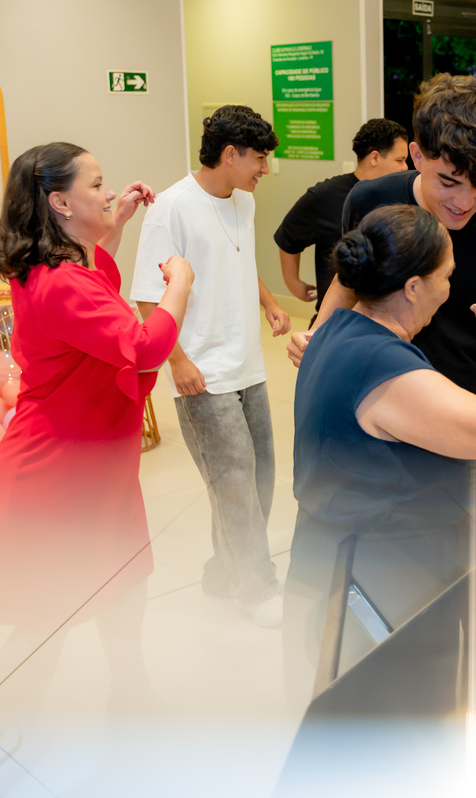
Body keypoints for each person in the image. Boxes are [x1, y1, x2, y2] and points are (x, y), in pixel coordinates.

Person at [287, 74, 476, 566]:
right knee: (380, 572)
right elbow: (350, 280)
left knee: (474, 581)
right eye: (449, 182)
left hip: (468, 434)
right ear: (416, 155)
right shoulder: (369, 199)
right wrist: (320, 334)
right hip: (378, 429)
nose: (463, 202)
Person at [286, 203, 476, 719]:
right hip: (376, 582)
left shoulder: (336, 329)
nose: (450, 288)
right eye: (446, 277)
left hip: (337, 560)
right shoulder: (381, 362)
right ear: (414, 286)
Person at [0, 142, 192, 702]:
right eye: (97, 185)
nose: (109, 192)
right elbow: (143, 347)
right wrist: (178, 285)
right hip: (57, 472)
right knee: (45, 616)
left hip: (94, 463)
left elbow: (95, 279)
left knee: (123, 576)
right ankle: (11, 730)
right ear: (59, 202)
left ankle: (130, 685)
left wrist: (112, 224)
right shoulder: (60, 282)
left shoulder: (59, 265)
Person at [130, 105, 291, 627]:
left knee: (259, 478)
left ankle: (224, 573)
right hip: (201, 371)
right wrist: (176, 361)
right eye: (259, 158)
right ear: (229, 154)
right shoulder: (171, 208)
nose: (265, 169)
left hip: (248, 363)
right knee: (234, 483)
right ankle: (256, 586)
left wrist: (269, 301)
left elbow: (238, 258)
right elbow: (148, 296)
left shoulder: (244, 200)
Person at [275, 118, 409, 317]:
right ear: (374, 158)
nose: (405, 167)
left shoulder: (403, 196)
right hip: (336, 316)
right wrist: (293, 283)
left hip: (387, 317)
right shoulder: (324, 196)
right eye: (399, 160)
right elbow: (288, 237)